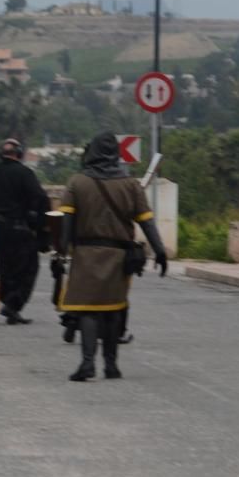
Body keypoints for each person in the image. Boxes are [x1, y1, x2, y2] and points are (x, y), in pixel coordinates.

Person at [56, 131, 168, 381]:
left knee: (87, 309)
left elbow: (66, 224)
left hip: (85, 254)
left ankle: (87, 363)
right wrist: (160, 252)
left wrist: (61, 252)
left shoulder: (77, 183)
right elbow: (147, 223)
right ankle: (111, 365)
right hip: (119, 256)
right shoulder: (130, 185)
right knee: (113, 308)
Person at [0, 138, 51, 325]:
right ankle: (13, 305)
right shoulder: (24, 173)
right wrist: (42, 228)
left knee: (5, 268)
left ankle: (10, 305)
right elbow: (41, 200)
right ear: (19, 154)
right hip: (19, 228)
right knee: (28, 268)